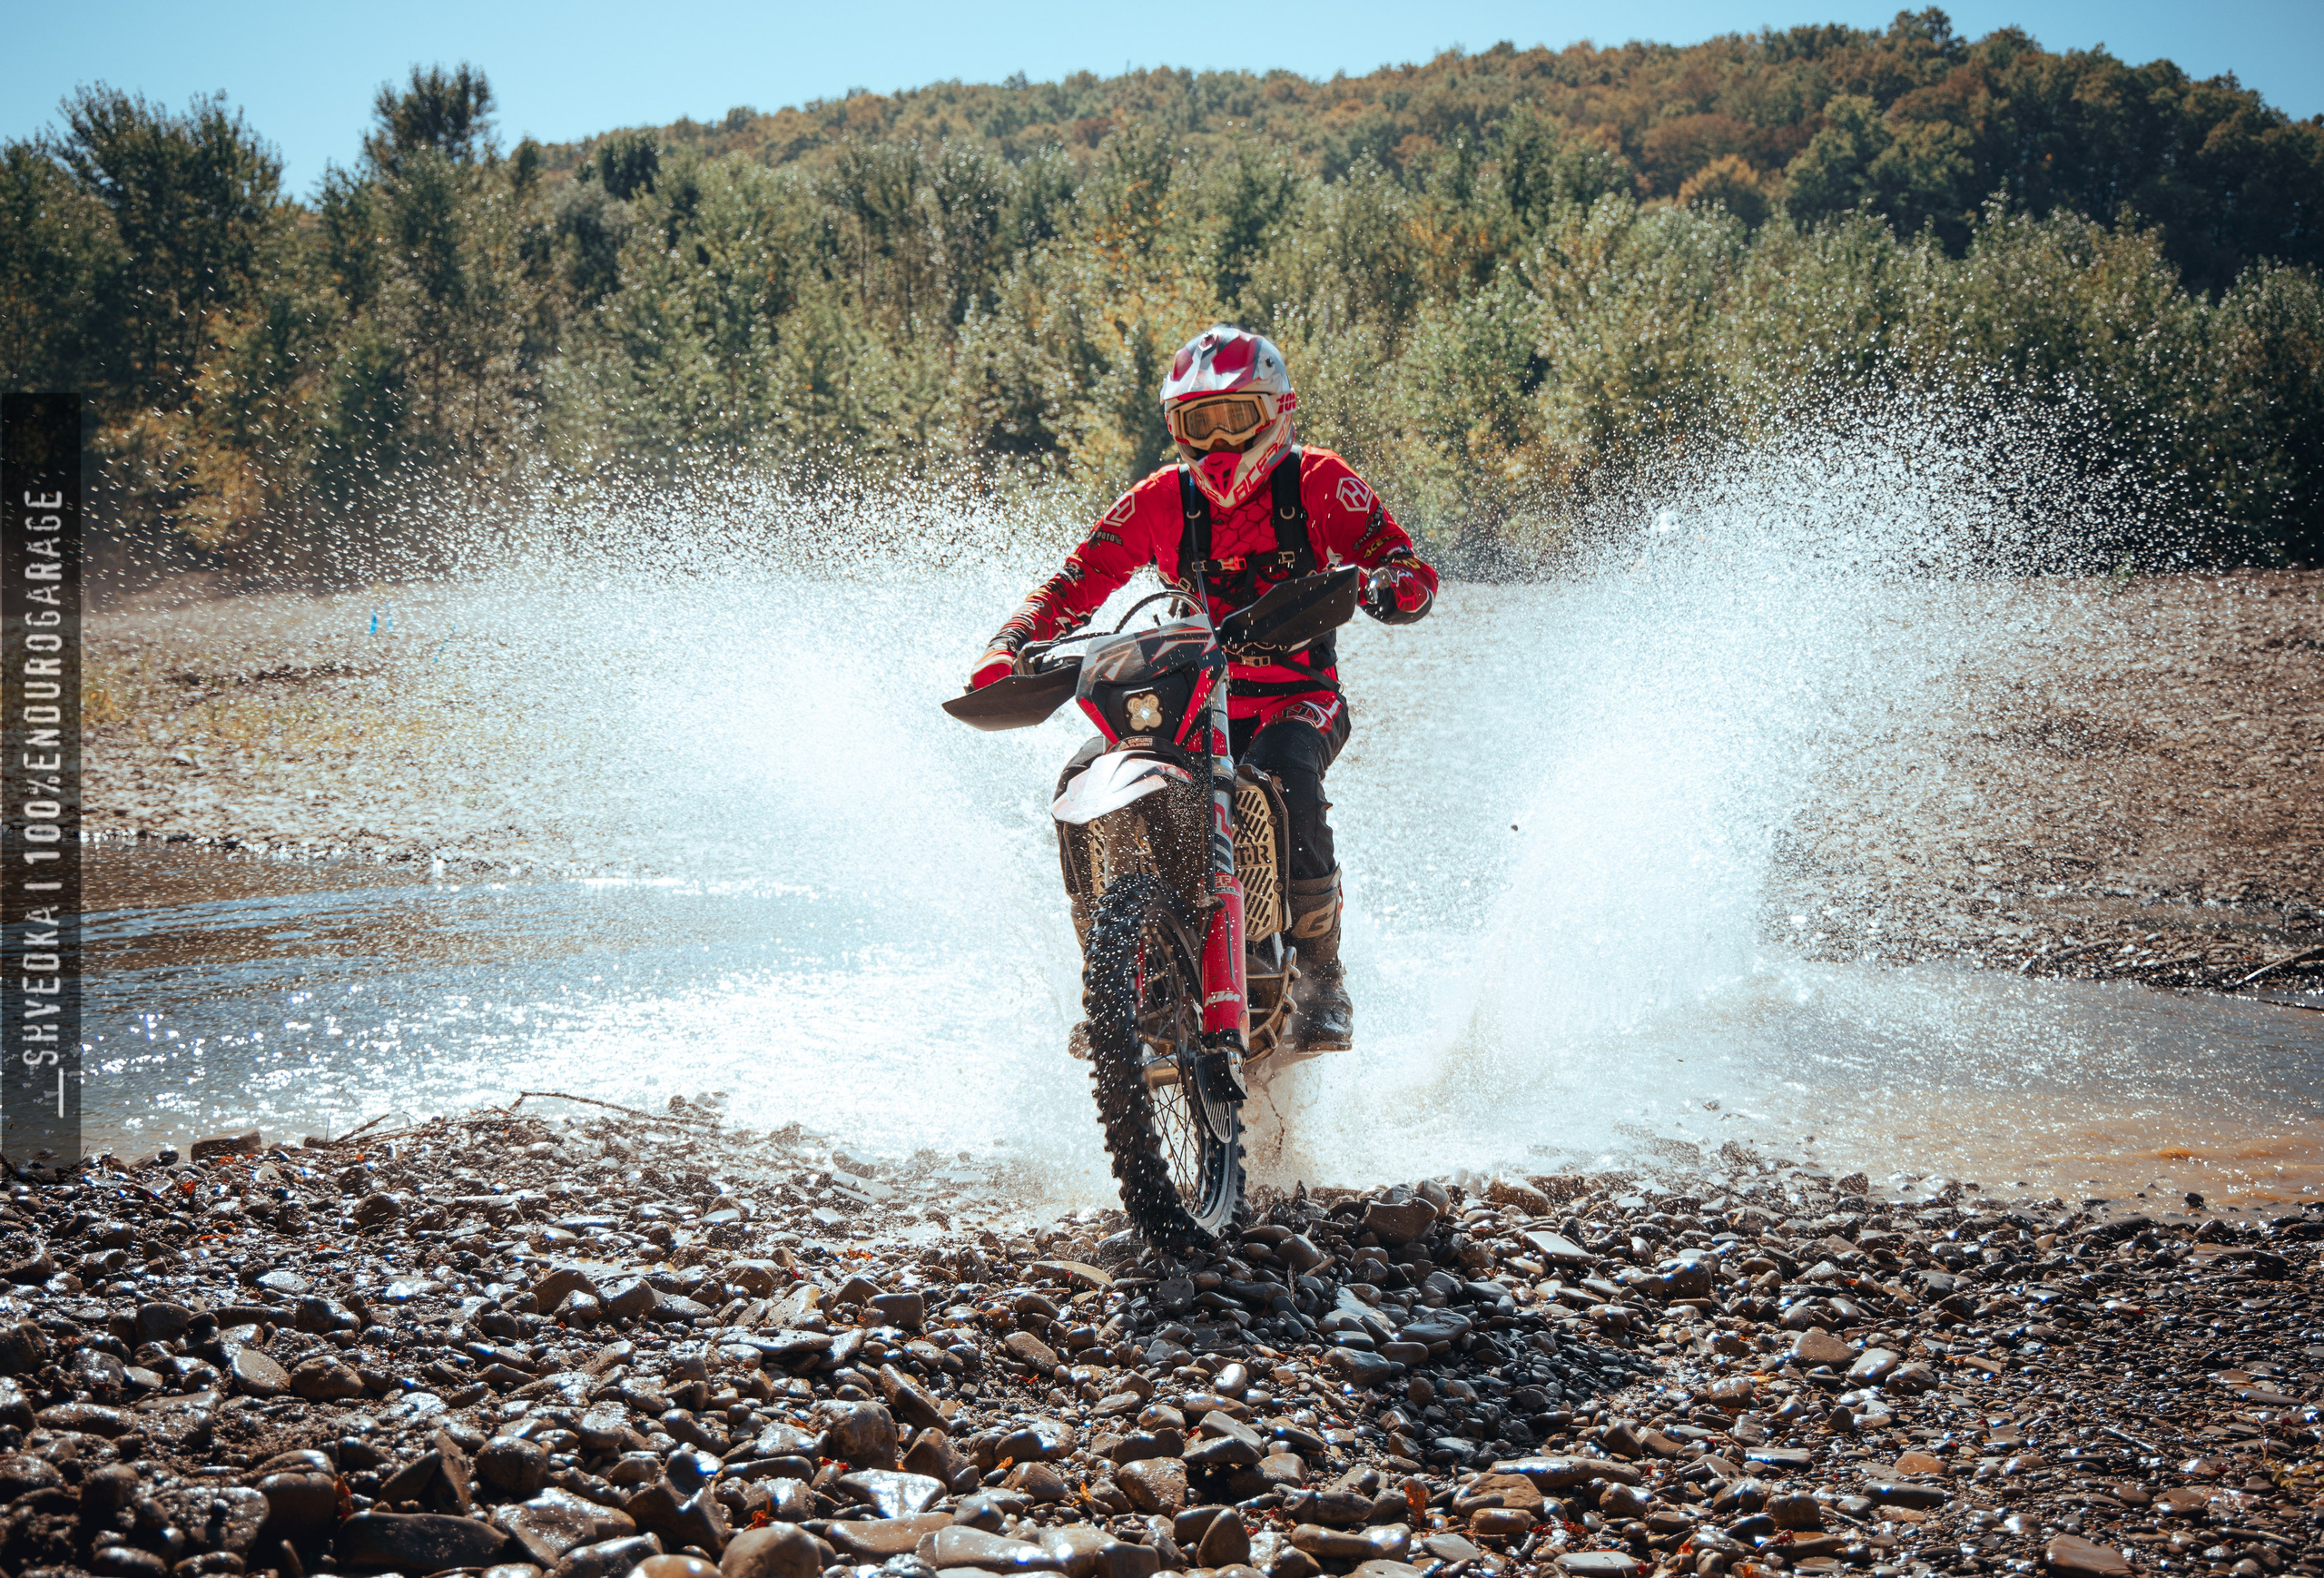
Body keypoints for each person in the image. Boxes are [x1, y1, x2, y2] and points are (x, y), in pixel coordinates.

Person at [968, 324, 1436, 1057]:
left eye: (1234, 418)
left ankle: (1321, 975)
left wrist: (1386, 588)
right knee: (1081, 776)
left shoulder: (1319, 481)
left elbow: (1405, 562)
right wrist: (1010, 643)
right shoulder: (1158, 500)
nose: (1218, 445)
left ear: (1277, 410)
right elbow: (1075, 579)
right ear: (1173, 428)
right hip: (1186, 700)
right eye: (1198, 424)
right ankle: (1113, 982)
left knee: (1288, 776)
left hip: (1297, 697)